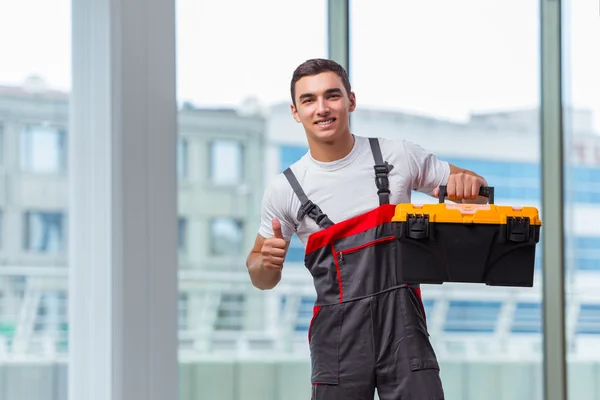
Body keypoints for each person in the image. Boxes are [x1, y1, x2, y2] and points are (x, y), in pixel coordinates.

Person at [245, 58, 488, 400]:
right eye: (309, 100)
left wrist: (468, 188)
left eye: (332, 95)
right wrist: (265, 263)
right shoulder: (286, 189)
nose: (322, 108)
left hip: (403, 330)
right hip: (338, 341)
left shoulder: (398, 156)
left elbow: (479, 196)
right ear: (295, 112)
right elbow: (261, 277)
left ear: (351, 101)